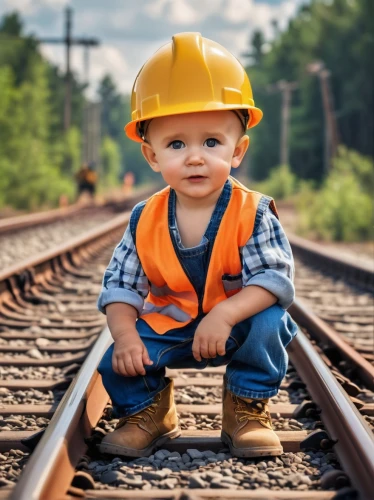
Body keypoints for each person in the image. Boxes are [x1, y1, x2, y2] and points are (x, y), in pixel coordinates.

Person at [97, 33, 298, 459]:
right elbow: (121, 287)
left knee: (271, 321)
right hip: (172, 327)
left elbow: (274, 278)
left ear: (237, 150)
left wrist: (225, 314)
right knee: (118, 352)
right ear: (152, 156)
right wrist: (126, 334)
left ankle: (245, 406)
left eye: (211, 142)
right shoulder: (144, 218)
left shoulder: (253, 212)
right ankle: (148, 410)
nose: (194, 157)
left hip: (236, 324)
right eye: (176, 144)